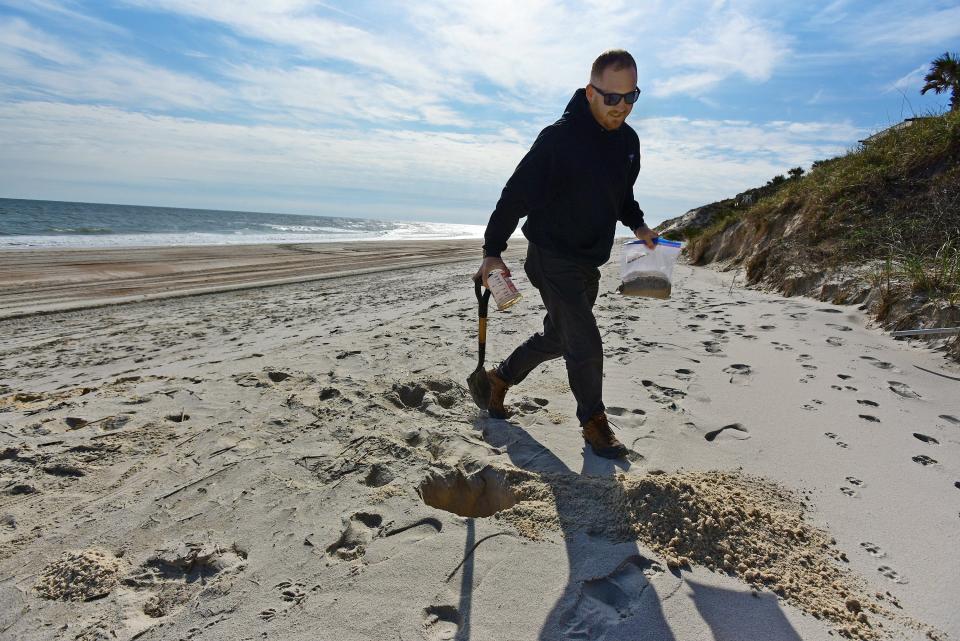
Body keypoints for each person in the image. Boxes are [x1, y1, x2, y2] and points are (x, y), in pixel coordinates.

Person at [474, 49, 658, 460]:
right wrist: (492, 252)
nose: (622, 107)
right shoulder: (559, 139)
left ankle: (499, 378)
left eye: (632, 97)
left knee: (561, 336)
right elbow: (513, 195)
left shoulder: (628, 142)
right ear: (591, 92)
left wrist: (640, 226)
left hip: (588, 259)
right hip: (550, 255)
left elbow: (622, 196)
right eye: (613, 98)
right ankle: (594, 422)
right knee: (585, 340)